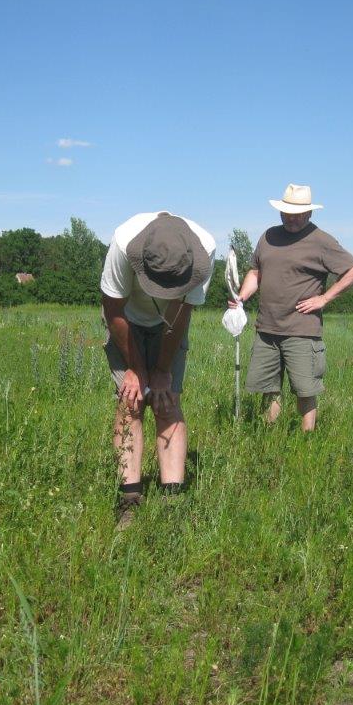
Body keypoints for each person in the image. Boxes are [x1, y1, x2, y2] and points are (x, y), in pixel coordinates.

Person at [100, 211, 215, 525]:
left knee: (167, 401)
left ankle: (172, 505)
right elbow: (112, 310)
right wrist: (136, 368)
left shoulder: (205, 249)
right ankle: (129, 500)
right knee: (130, 401)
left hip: (169, 325)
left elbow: (180, 316)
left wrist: (163, 370)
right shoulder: (123, 244)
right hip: (126, 320)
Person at [229, 184, 353, 431]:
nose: (291, 218)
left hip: (302, 329)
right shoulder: (269, 236)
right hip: (267, 327)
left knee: (305, 388)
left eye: (297, 213)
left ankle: (307, 438)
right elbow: (255, 272)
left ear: (309, 213)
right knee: (268, 388)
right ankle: (269, 435)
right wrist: (241, 298)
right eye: (286, 213)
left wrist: (324, 299)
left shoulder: (321, 240)